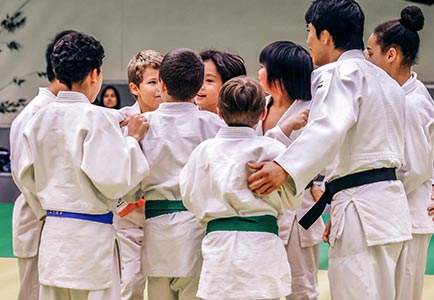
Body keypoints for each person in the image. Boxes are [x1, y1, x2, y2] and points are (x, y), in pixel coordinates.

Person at [247, 0, 412, 299]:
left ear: (325, 35)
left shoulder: (339, 73)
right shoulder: (387, 83)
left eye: (309, 32)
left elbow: (328, 128)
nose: (308, 41)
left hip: (361, 211)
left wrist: (284, 167)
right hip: (388, 208)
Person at [13, 31, 150, 300]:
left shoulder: (38, 119)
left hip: (53, 235)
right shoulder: (94, 118)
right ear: (94, 74)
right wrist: (132, 141)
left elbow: (27, 178)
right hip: (91, 238)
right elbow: (116, 181)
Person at [180, 76, 299, 300]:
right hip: (263, 249)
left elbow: (189, 197)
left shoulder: (204, 151)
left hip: (219, 249)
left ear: (219, 112)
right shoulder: (274, 150)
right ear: (263, 113)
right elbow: (293, 201)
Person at [366, 6, 434, 299]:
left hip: (408, 217)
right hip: (398, 215)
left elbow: (415, 168)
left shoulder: (412, 103)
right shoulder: (395, 95)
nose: (366, 59)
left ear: (391, 54)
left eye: (371, 52)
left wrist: (371, 194)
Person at [135, 48, 225, 300]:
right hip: (198, 231)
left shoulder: (142, 125)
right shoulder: (215, 126)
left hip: (157, 233)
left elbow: (129, 189)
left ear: (161, 84)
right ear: (198, 86)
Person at [9, 29, 75, 300]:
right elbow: (23, 175)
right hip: (40, 221)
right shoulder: (34, 114)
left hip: (63, 223)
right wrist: (51, 214)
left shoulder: (66, 112)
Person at [256, 40, 323, 300]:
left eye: (263, 67)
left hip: (298, 208)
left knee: (302, 289)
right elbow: (251, 152)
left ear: (279, 76)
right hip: (262, 208)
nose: (259, 72)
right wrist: (282, 131)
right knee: (263, 288)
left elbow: (315, 158)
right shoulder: (259, 105)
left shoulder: (311, 110)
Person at [114, 48, 163, 300]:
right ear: (134, 88)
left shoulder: (173, 119)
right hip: (129, 218)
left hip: (163, 216)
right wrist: (122, 205)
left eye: (162, 81)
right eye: (152, 82)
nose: (159, 89)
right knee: (131, 284)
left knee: (164, 286)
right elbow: (111, 169)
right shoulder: (119, 120)